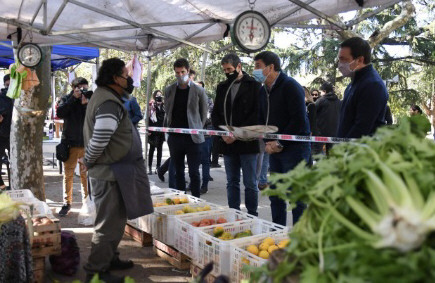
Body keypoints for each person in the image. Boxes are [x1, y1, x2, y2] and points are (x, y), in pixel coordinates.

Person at [82, 58, 153, 283]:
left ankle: (110, 258)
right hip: (107, 172)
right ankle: (95, 270)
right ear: (115, 78)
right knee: (107, 224)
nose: (129, 79)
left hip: (116, 172)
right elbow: (100, 138)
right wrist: (88, 160)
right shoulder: (108, 102)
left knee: (116, 221)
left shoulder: (109, 98)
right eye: (126, 75)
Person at [254, 51, 311, 226]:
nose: (254, 70)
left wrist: (280, 142)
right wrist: (268, 143)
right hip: (275, 150)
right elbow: (262, 119)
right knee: (276, 195)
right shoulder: (264, 90)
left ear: (270, 67)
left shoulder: (291, 86)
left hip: (295, 150)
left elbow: (299, 120)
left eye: (258, 66)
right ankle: (277, 231)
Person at [212, 54, 261, 215]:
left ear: (239, 66)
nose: (227, 72)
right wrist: (223, 134)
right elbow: (216, 114)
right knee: (232, 182)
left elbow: (257, 114)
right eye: (225, 70)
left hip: (248, 142)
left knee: (250, 183)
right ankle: (233, 213)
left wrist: (237, 134)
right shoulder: (222, 87)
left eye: (230, 69)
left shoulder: (254, 85)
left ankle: (252, 214)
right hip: (228, 143)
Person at [164, 58, 208, 197]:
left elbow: (203, 114)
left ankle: (196, 200)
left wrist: (197, 128)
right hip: (175, 137)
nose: (180, 75)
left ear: (188, 71)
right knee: (178, 171)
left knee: (194, 172)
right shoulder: (169, 90)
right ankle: (181, 199)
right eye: (177, 72)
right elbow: (167, 110)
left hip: (193, 138)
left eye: (182, 72)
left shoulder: (199, 91)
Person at [337, 37, 388, 138]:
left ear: (360, 60)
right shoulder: (354, 83)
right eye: (339, 59)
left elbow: (362, 128)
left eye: (344, 60)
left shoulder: (372, 85)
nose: (340, 65)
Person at [56, 77, 90, 216]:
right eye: (82, 88)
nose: (84, 91)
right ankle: (67, 203)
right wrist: (74, 99)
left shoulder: (87, 99)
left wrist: (85, 104)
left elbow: (92, 117)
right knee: (68, 174)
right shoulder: (67, 99)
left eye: (86, 88)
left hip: (85, 143)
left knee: (85, 175)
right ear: (75, 88)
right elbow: (60, 113)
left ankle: (87, 202)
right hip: (70, 143)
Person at [315, 82, 341, 155]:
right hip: (335, 133)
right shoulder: (339, 102)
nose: (320, 94)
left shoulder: (321, 100)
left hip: (320, 133)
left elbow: (313, 113)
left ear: (325, 91)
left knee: (317, 155)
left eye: (320, 92)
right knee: (331, 156)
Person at [148, 90, 165, 175]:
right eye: (157, 95)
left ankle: (158, 167)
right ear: (154, 96)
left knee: (160, 150)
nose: (159, 97)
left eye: (160, 95)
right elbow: (148, 118)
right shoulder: (151, 106)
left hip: (161, 131)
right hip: (153, 131)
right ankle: (150, 167)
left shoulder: (164, 106)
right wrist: (149, 130)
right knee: (151, 149)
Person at [0, 74, 12, 190]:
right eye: (8, 84)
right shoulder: (1, 97)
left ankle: (14, 185)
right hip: (2, 135)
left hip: (15, 136)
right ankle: (2, 186)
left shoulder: (19, 97)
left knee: (15, 162)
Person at [304, 87, 321, 163]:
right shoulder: (303, 105)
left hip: (310, 133)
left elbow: (313, 121)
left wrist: (311, 132)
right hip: (305, 133)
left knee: (309, 152)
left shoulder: (311, 106)